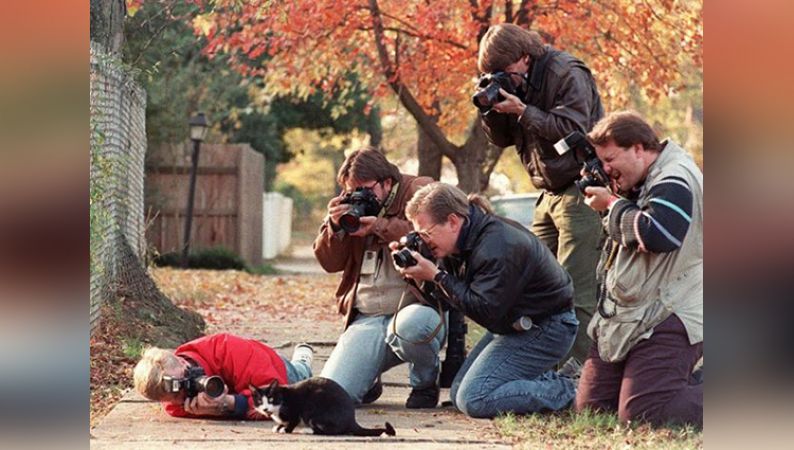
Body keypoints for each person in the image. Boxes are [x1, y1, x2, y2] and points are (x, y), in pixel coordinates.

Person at [477, 23, 604, 368]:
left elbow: (577, 130)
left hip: (581, 188)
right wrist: (490, 110)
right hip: (547, 194)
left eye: (503, 72)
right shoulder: (518, 79)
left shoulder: (565, 72)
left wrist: (522, 110)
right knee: (534, 284)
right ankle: (537, 363)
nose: (501, 78)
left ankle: (577, 376)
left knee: (575, 288)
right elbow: (502, 140)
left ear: (523, 57)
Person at [393, 182, 578, 418]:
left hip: (547, 327)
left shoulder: (498, 245)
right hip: (512, 325)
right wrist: (418, 274)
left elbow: (484, 311)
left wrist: (437, 276)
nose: (424, 241)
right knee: (460, 392)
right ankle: (544, 378)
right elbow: (449, 302)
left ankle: (569, 390)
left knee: (475, 398)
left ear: (453, 221)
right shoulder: (458, 244)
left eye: (426, 234)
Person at [574, 111, 703, 427]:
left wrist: (611, 205)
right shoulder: (644, 179)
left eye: (610, 159)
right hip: (631, 314)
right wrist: (617, 196)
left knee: (645, 415)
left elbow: (660, 234)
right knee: (592, 412)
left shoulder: (675, 178)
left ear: (638, 148)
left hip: (671, 311)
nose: (605, 169)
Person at [314, 147, 443, 409]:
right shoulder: (352, 208)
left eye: (365, 189)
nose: (359, 196)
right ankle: (367, 375)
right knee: (332, 398)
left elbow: (433, 234)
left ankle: (425, 383)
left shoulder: (419, 190)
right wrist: (334, 227)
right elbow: (330, 263)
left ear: (387, 182)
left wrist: (378, 226)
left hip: (415, 311)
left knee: (412, 326)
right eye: (352, 191)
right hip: (368, 319)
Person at [133, 333, 313, 419]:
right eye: (176, 398)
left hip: (275, 370)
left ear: (183, 362)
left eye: (184, 383)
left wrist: (230, 403)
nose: (184, 394)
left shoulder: (227, 349)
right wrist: (212, 410)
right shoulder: (173, 399)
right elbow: (175, 405)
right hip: (249, 381)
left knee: (303, 376)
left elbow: (277, 401)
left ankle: (303, 358)